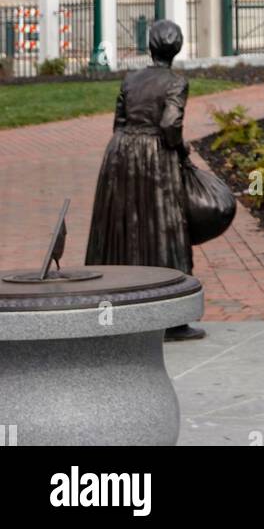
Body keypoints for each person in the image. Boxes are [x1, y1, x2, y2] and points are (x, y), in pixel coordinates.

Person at [85, 18, 203, 341]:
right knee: (165, 227)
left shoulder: (130, 78)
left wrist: (128, 146)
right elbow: (170, 125)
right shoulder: (176, 83)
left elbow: (119, 122)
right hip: (156, 156)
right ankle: (173, 318)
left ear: (150, 46)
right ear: (176, 49)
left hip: (120, 154)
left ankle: (110, 311)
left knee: (121, 227)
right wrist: (181, 150)